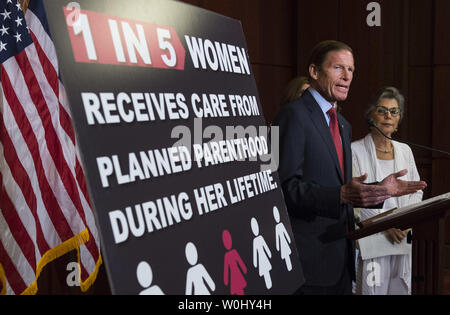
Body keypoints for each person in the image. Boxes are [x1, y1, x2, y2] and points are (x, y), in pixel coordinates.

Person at [272, 40, 427, 295]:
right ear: (314, 71)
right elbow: (283, 188)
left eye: (351, 70)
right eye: (338, 68)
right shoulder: (293, 116)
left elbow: (345, 190)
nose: (347, 76)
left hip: (340, 261)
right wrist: (341, 195)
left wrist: (380, 190)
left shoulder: (342, 124)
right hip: (308, 263)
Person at [352, 87, 423, 295]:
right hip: (373, 238)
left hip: (402, 237)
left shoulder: (405, 150)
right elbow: (356, 197)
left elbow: (416, 190)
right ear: (370, 115)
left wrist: (404, 220)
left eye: (394, 111)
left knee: (401, 289)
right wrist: (386, 224)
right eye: (382, 110)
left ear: (399, 119)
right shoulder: (354, 150)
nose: (388, 116)